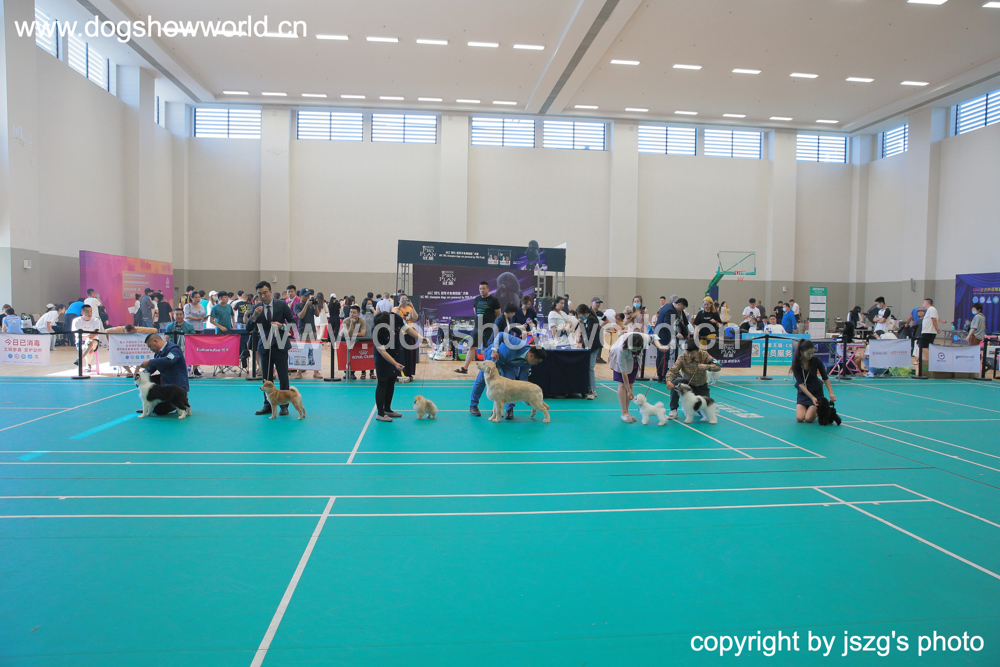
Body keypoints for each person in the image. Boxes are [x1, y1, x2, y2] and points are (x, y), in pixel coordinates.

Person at [468, 330, 547, 419]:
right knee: (481, 380)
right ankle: (473, 405)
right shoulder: (518, 344)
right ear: (531, 355)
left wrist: (528, 392)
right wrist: (495, 350)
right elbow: (500, 335)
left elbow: (523, 379)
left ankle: (509, 409)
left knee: (511, 385)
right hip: (496, 355)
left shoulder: (528, 363)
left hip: (509, 364)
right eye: (537, 361)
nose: (536, 364)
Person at [249, 281, 296, 416]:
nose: (263, 296)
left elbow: (292, 323)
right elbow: (249, 328)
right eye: (260, 294)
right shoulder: (256, 308)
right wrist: (254, 316)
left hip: (281, 346)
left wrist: (282, 326)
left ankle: (284, 406)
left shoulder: (282, 305)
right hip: (265, 347)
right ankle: (267, 405)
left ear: (270, 292)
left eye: (265, 293)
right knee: (266, 378)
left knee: (283, 377)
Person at [373, 304, 424, 422]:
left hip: (395, 353)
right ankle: (380, 413)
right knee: (382, 382)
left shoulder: (395, 317)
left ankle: (387, 409)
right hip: (382, 358)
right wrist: (395, 363)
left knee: (391, 381)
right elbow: (382, 352)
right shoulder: (376, 331)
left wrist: (420, 337)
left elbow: (407, 329)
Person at [609, 332, 670, 423]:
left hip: (634, 359)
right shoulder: (621, 350)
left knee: (631, 383)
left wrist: (660, 347)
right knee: (622, 384)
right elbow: (624, 373)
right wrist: (628, 390)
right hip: (619, 360)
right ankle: (624, 413)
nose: (634, 350)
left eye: (636, 349)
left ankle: (627, 412)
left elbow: (654, 337)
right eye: (633, 348)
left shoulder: (644, 338)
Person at [665, 337, 723, 420]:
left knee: (702, 412)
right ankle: (673, 410)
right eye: (687, 352)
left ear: (697, 350)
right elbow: (673, 370)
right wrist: (668, 380)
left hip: (701, 386)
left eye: (692, 353)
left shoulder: (704, 355)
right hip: (687, 385)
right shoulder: (682, 357)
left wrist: (707, 366)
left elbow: (718, 366)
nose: (689, 355)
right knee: (676, 383)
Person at [137, 333, 191, 415]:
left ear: (156, 341)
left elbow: (169, 360)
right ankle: (148, 404)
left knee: (160, 411)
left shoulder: (174, 349)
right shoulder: (157, 354)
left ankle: (180, 401)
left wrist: (149, 362)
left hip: (176, 386)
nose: (150, 349)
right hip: (165, 385)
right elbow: (152, 368)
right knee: (141, 382)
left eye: (150, 346)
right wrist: (140, 374)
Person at [455, 282, 501, 374]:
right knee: (471, 347)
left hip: (488, 328)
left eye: (484, 288)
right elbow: (475, 311)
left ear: (488, 289)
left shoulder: (494, 300)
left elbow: (498, 314)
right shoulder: (477, 299)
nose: (482, 290)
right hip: (477, 328)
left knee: (488, 348)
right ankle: (465, 368)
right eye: (480, 288)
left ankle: (491, 369)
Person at [791, 339, 836, 423]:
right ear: (801, 352)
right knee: (800, 418)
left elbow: (825, 378)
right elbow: (801, 384)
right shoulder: (796, 364)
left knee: (808, 419)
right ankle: (810, 408)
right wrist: (812, 398)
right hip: (803, 393)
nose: (811, 355)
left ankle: (819, 411)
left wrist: (831, 392)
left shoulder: (816, 361)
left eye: (812, 353)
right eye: (808, 354)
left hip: (816, 393)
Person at [654, 297, 689, 382]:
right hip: (663, 335)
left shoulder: (668, 305)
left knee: (660, 356)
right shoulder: (670, 310)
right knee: (664, 356)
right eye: (682, 308)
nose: (682, 311)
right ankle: (664, 376)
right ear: (678, 305)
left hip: (659, 333)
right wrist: (677, 333)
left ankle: (660, 375)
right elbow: (667, 325)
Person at [578, 304, 602, 399]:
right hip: (591, 346)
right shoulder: (589, 319)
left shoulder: (591, 319)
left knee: (590, 368)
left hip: (593, 346)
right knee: (590, 368)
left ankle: (592, 390)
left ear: (584, 312)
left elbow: (589, 334)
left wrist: (585, 345)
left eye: (580, 314)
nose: (580, 316)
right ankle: (591, 388)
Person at [71, 304, 103, 373]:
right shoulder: (76, 321)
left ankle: (80, 360)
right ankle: (88, 364)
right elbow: (77, 335)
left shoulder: (96, 320)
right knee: (88, 349)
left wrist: (87, 337)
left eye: (91, 311)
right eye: (87, 311)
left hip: (93, 341)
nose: (90, 313)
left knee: (90, 343)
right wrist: (88, 336)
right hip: (81, 342)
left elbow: (95, 334)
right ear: (82, 313)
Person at [342, 305, 368, 379]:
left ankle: (360, 372)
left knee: (359, 356)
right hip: (346, 341)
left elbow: (362, 333)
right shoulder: (345, 321)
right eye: (350, 312)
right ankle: (348, 372)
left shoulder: (362, 321)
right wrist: (352, 324)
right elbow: (348, 335)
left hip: (359, 341)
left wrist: (352, 334)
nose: (352, 314)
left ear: (358, 314)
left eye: (354, 312)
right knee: (347, 356)